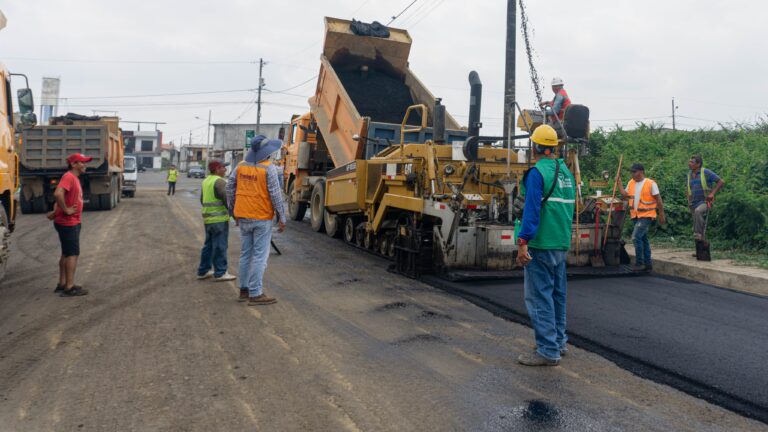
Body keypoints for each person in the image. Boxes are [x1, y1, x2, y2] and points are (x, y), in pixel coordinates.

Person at [515, 124, 576, 366]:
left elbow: (530, 212)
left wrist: (523, 241)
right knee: (558, 296)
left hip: (540, 243)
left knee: (539, 297)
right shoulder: (566, 173)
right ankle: (559, 343)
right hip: (561, 242)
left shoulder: (537, 173)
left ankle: (548, 351)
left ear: (535, 146)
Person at [226, 135, 287, 306]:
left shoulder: (240, 166)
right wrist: (282, 217)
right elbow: (275, 194)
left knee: (246, 254)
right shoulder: (269, 169)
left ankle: (244, 290)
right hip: (261, 218)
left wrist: (233, 213)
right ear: (267, 152)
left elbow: (229, 188)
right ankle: (256, 293)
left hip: (243, 216)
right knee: (260, 256)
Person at [46, 153, 91, 297]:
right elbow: (58, 194)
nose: (85, 165)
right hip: (68, 223)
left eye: (85, 162)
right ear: (73, 164)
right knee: (72, 254)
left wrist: (56, 211)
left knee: (66, 253)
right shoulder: (69, 177)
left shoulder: (73, 178)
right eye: (82, 162)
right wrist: (65, 210)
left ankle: (62, 283)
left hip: (68, 221)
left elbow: (60, 197)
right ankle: (69, 287)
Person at [617, 163, 665, 272]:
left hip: (647, 215)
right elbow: (625, 195)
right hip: (635, 215)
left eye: (634, 172)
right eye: (631, 172)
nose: (632, 174)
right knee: (643, 239)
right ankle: (648, 264)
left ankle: (640, 263)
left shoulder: (650, 183)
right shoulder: (631, 183)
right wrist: (619, 184)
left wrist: (661, 214)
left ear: (641, 171)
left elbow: (659, 200)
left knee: (636, 237)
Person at [197, 160, 237, 282]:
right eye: (223, 167)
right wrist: (236, 216)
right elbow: (228, 202)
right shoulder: (219, 182)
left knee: (208, 245)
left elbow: (202, 199)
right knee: (220, 245)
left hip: (208, 219)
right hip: (219, 220)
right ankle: (220, 272)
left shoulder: (206, 181)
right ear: (217, 169)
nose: (225, 170)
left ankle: (203, 271)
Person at [687, 155, 724, 245]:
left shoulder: (705, 172)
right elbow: (688, 188)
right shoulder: (689, 175)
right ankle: (700, 249)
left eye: (692, 162)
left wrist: (712, 194)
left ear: (698, 164)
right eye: (689, 161)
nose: (689, 163)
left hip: (705, 201)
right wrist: (688, 201)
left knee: (698, 212)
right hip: (693, 203)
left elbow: (721, 182)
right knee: (697, 224)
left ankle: (698, 236)